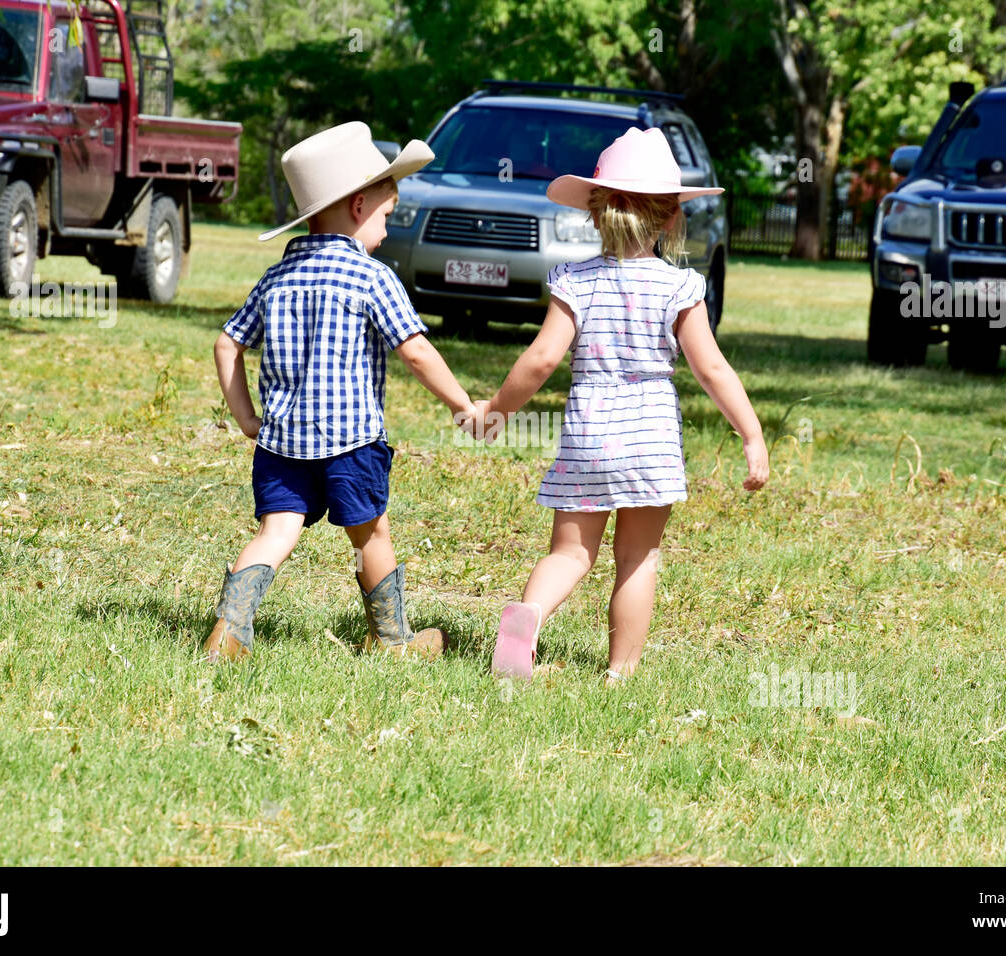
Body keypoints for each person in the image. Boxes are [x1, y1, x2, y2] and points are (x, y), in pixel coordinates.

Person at [474, 127, 769, 685]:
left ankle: (530, 616)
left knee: (570, 553)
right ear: (670, 219)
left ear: (595, 214)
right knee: (638, 558)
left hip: (588, 431)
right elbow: (712, 369)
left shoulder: (573, 282)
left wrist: (498, 410)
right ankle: (620, 672)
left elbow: (539, 361)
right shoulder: (679, 287)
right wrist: (751, 435)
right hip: (649, 438)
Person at [205, 121, 478, 663]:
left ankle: (228, 631)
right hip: (351, 442)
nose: (385, 229)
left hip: (281, 444)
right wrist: (462, 404)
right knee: (371, 537)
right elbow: (417, 351)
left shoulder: (277, 277)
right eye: (385, 216)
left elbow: (225, 345)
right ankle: (392, 639)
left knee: (275, 531)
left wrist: (247, 420)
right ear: (358, 207)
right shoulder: (370, 275)